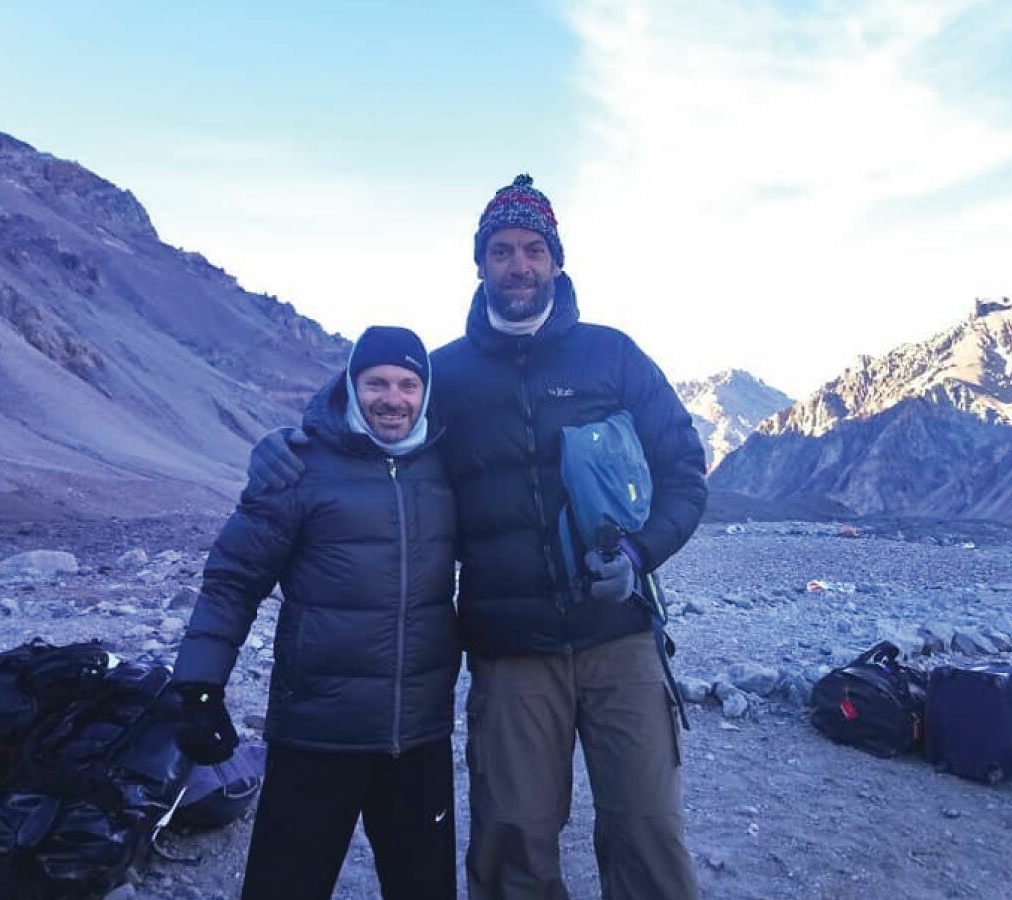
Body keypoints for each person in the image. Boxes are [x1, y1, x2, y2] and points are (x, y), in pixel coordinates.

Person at [250, 174, 707, 899]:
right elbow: (366, 420)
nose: (517, 265)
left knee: (647, 827)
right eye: (501, 250)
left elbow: (685, 470)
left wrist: (639, 552)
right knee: (512, 836)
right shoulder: (449, 374)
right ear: (480, 263)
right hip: (509, 648)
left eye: (532, 249)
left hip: (619, 634)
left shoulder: (613, 355)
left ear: (556, 261)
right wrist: (288, 442)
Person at [172, 326, 461, 900]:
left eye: (408, 384)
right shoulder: (299, 468)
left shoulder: (447, 466)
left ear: (425, 393)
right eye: (376, 382)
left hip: (418, 736)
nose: (393, 398)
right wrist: (199, 686)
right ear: (352, 387)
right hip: (317, 734)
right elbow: (233, 580)